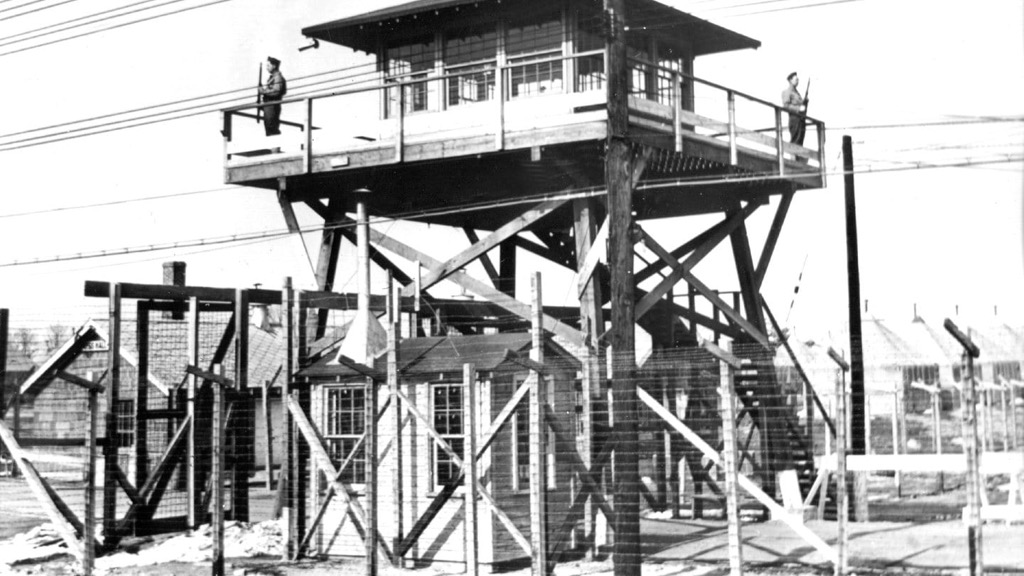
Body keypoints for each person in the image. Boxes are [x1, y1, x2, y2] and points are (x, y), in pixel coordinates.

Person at [258, 56, 287, 136]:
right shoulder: (273, 77)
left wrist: (264, 91)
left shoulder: (278, 78)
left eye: (268, 65)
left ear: (274, 66)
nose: (267, 68)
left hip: (272, 106)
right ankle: (272, 147)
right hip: (269, 105)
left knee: (272, 128)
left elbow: (276, 91)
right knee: (269, 128)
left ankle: (274, 148)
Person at [781, 71, 807, 145]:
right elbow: (786, 106)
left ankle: (799, 156)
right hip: (794, 119)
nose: (797, 81)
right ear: (790, 80)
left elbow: (803, 108)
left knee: (800, 141)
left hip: (801, 120)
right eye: (796, 80)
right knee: (795, 140)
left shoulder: (797, 94)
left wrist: (805, 102)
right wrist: (798, 109)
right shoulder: (787, 92)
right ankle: (794, 156)